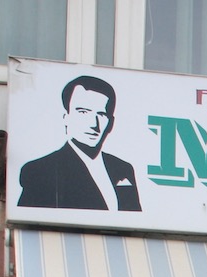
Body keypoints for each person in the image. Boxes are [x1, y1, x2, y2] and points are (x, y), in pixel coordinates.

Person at [17, 75, 142, 211]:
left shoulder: (122, 168)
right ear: (66, 117)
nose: (94, 124)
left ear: (111, 123)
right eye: (83, 112)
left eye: (101, 114)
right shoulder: (41, 170)